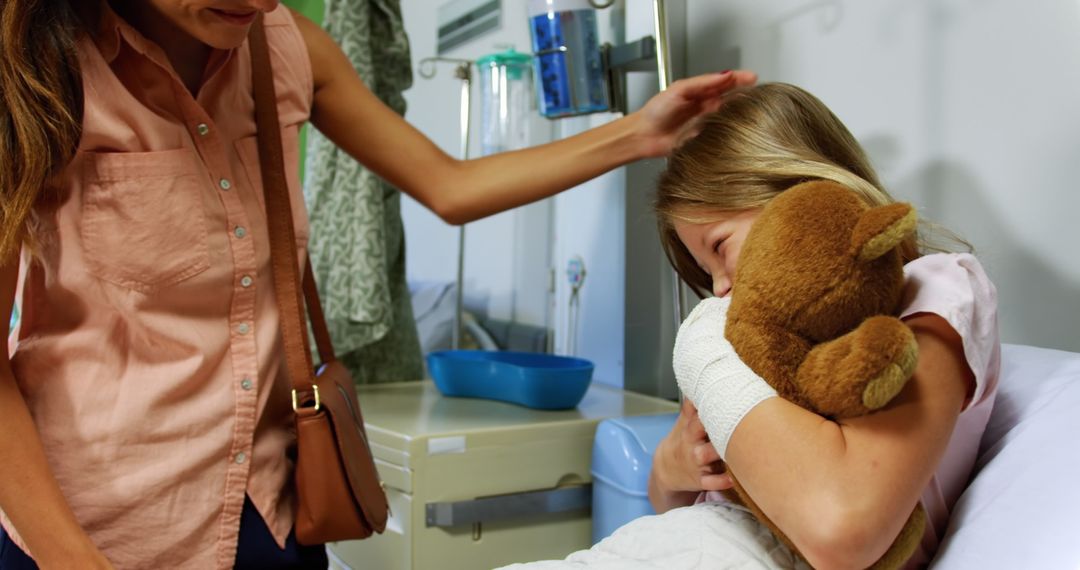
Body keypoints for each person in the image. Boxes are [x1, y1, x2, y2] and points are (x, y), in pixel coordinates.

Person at [0, 1, 758, 569]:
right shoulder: (35, 65)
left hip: (266, 512)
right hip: (86, 518)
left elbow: (449, 185)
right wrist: (70, 558)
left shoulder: (286, 49)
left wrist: (642, 132)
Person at [649, 83, 1000, 569]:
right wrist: (670, 472)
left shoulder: (933, 293)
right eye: (707, 277)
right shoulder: (753, 334)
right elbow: (681, 505)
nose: (720, 291)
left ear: (795, 190)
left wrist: (702, 346)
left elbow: (840, 530)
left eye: (721, 248)